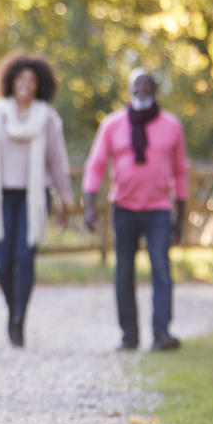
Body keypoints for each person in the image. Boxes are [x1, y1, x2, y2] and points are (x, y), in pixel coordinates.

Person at [0, 51, 74, 348]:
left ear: (40, 85)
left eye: (32, 80)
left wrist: (66, 199)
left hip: (35, 199)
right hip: (1, 199)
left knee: (25, 258)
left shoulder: (47, 118)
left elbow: (57, 162)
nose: (26, 85)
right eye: (20, 79)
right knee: (3, 263)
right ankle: (13, 308)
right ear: (11, 82)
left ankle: (18, 320)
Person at [81, 68, 188, 352]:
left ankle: (162, 333)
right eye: (136, 86)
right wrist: (89, 205)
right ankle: (129, 336)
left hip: (159, 210)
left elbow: (180, 172)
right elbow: (96, 165)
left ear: (155, 90)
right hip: (124, 209)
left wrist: (181, 217)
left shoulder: (171, 126)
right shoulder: (112, 125)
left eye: (147, 86)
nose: (142, 90)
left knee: (161, 270)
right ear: (129, 91)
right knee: (124, 273)